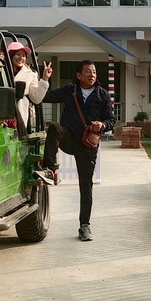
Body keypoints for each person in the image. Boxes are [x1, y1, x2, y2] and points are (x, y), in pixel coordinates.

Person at [38, 60, 115, 242]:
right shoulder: (70, 90)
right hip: (69, 138)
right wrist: (44, 79)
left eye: (94, 71)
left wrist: (102, 125)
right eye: (88, 71)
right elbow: (44, 97)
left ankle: (84, 226)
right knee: (55, 128)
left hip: (88, 145)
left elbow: (111, 120)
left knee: (86, 186)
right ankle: (49, 170)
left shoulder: (103, 95)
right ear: (79, 75)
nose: (92, 74)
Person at [7, 41, 52, 132]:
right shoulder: (0, 69)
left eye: (23, 55)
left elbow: (36, 98)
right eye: (18, 54)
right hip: (1, 114)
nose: (21, 58)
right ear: (10, 55)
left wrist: (44, 79)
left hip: (19, 116)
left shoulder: (30, 74)